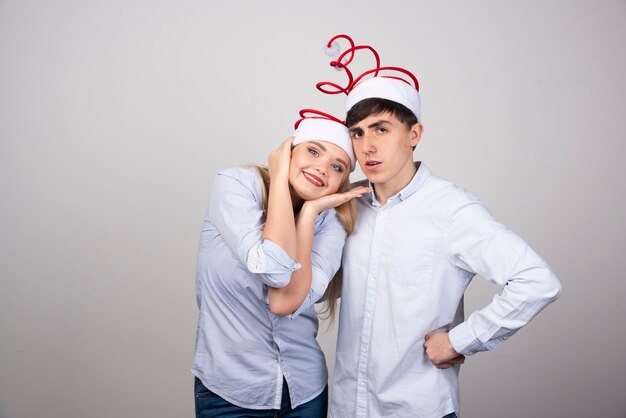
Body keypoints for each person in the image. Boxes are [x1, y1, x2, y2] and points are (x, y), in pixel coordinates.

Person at [317, 35, 563, 418]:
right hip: (348, 407)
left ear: (414, 135)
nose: (367, 147)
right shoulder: (349, 205)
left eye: (381, 129)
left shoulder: (450, 209)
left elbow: (537, 280)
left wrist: (460, 341)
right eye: (358, 133)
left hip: (417, 409)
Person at [191, 110, 369, 418]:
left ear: (341, 182)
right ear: (289, 151)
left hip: (305, 393)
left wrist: (310, 212)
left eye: (336, 166)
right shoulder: (236, 185)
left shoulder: (332, 220)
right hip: (230, 393)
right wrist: (281, 181)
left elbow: (285, 301)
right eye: (313, 151)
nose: (321, 168)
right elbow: (272, 268)